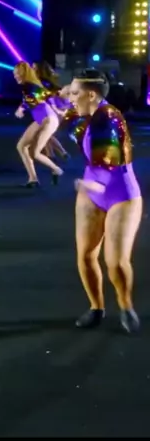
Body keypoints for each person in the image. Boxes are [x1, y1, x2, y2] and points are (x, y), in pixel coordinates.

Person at [63, 70, 142, 334]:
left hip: (120, 192)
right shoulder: (86, 113)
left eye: (76, 93)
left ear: (91, 95)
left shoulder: (109, 117)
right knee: (86, 255)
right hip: (91, 190)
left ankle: (126, 306)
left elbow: (109, 156)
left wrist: (95, 185)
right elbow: (68, 115)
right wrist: (62, 96)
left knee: (116, 262)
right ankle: (96, 307)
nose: (71, 98)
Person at [13, 61, 64, 188]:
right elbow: (39, 97)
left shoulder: (30, 86)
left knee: (34, 153)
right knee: (21, 146)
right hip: (42, 120)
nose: (15, 76)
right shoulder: (30, 86)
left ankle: (57, 170)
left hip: (48, 120)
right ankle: (33, 179)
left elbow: (33, 99)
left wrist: (22, 108)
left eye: (17, 74)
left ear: (24, 73)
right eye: (14, 74)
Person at [33, 61, 70, 161]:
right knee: (46, 133)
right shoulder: (42, 82)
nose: (32, 70)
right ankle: (51, 154)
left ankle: (62, 153)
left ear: (40, 70)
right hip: (49, 110)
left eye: (35, 68)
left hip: (53, 110)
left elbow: (49, 98)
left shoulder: (44, 83)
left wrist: (57, 110)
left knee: (46, 132)